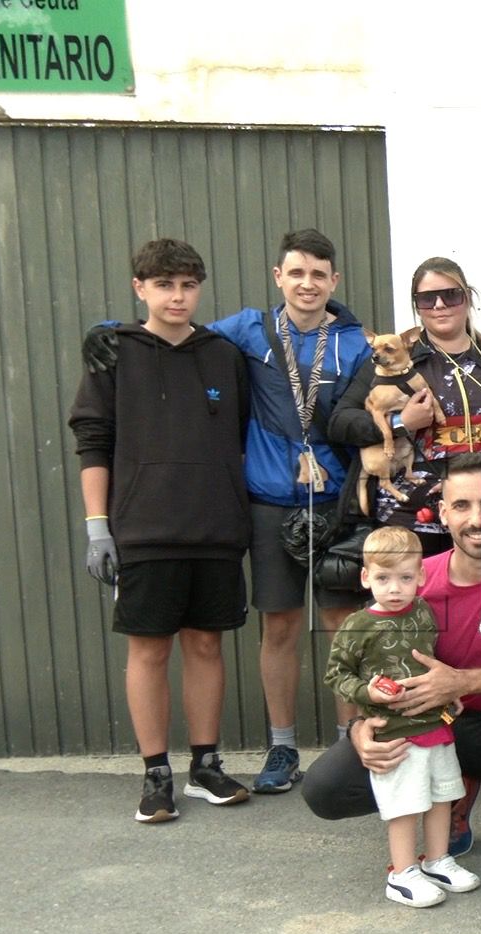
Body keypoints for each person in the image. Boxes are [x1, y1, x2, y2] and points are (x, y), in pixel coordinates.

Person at [83, 228, 373, 793]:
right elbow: (170, 337)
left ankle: (348, 746)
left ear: (333, 281)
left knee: (344, 626)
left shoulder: (356, 342)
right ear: (278, 277)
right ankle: (283, 748)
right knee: (280, 624)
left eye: (318, 274)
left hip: (335, 503)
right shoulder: (244, 330)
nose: (307, 284)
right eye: (296, 273)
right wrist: (104, 333)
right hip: (267, 500)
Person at [301, 454, 481, 896]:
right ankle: (452, 800)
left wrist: (463, 681)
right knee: (325, 789)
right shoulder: (417, 582)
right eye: (461, 506)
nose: (477, 519)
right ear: (442, 513)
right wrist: (363, 727)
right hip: (439, 728)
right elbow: (372, 668)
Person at [68, 238, 253, 823]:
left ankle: (205, 765)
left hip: (217, 527)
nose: (178, 296)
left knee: (206, 644)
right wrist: (98, 526)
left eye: (188, 284)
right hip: (144, 530)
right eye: (165, 284)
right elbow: (93, 441)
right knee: (148, 650)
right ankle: (155, 774)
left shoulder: (224, 353)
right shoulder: (113, 353)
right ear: (140, 288)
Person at [323, 527, 479, 908]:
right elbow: (336, 674)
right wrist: (366, 693)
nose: (395, 588)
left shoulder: (424, 612)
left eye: (405, 578)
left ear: (421, 576)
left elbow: (433, 660)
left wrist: (451, 690)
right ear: (366, 577)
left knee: (443, 796)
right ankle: (402, 873)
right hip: (393, 735)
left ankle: (438, 860)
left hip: (434, 726)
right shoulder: (357, 625)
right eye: (383, 578)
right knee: (406, 804)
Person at [330, 257, 481, 555]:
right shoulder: (395, 361)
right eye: (426, 299)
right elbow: (341, 422)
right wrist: (400, 423)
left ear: (468, 298)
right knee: (421, 602)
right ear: (416, 306)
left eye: (451, 294)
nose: (439, 305)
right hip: (413, 523)